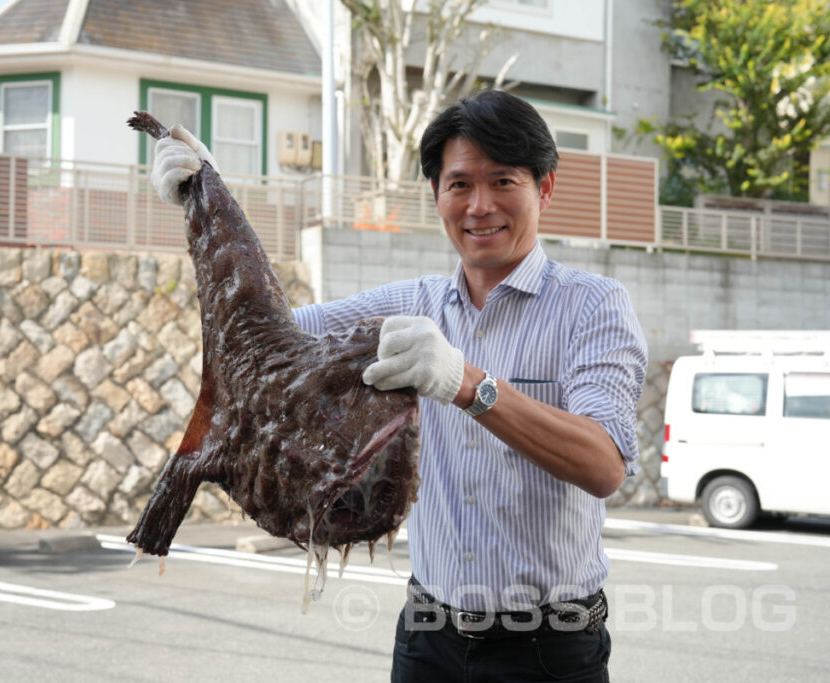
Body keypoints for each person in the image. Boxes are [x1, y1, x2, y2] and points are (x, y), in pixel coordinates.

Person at [151, 89, 647, 682]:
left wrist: (466, 384)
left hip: (549, 649)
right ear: (437, 195)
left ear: (544, 188)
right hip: (428, 640)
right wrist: (208, 201)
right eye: (459, 184)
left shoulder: (594, 307)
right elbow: (267, 335)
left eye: (503, 182)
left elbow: (605, 464)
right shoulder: (410, 304)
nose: (480, 205)